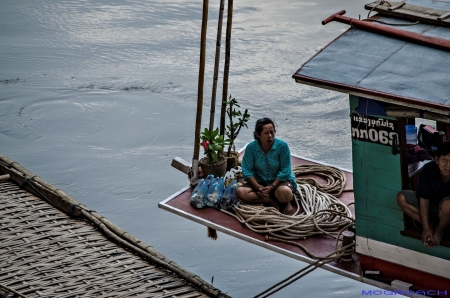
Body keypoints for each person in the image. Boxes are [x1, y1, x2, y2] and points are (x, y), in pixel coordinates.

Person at [236, 118, 298, 215]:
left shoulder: (282, 146)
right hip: (260, 182)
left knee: (285, 192)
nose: (270, 136)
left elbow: (285, 170)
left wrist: (272, 186)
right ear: (258, 134)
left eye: (272, 132)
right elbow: (247, 170)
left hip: (279, 182)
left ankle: (286, 201)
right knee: (240, 192)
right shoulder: (251, 148)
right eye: (266, 133)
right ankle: (269, 199)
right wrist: (257, 186)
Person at [397, 141, 450, 247]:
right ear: (437, 160)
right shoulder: (428, 170)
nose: (448, 165)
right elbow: (424, 199)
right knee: (401, 197)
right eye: (445, 160)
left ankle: (439, 231)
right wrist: (426, 228)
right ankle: (430, 225)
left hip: (447, 213)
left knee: (448, 205)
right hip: (432, 207)